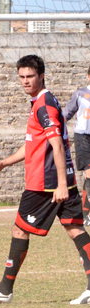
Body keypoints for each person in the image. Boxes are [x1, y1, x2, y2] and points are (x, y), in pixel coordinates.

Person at [0, 55, 90, 305]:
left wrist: (59, 184)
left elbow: (57, 145)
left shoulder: (44, 105)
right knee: (74, 229)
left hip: (46, 185)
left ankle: (4, 289)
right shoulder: (41, 102)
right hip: (60, 181)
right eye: (22, 77)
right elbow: (34, 145)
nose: (25, 81)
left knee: (19, 229)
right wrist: (4, 163)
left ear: (42, 76)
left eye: (30, 76)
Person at [62, 65, 90, 225]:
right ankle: (85, 215)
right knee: (89, 173)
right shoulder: (80, 94)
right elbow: (66, 115)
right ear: (88, 76)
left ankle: (86, 213)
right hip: (83, 138)